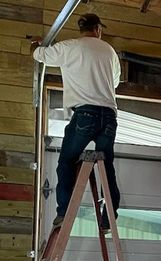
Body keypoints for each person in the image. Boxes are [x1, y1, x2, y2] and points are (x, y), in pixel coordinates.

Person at [32, 13, 121, 233]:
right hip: (109, 115)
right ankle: (109, 217)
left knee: (66, 162)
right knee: (106, 165)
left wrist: (34, 45)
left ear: (81, 28)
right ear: (98, 29)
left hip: (84, 115)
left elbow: (40, 55)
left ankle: (64, 212)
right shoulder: (109, 51)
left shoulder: (69, 47)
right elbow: (115, 82)